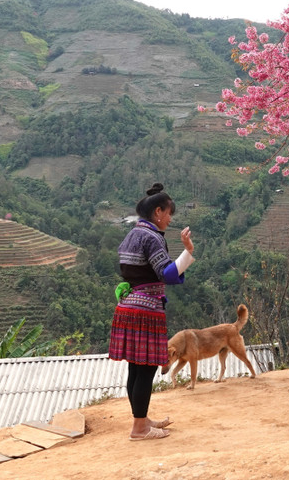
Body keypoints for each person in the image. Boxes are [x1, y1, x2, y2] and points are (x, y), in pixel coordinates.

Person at [109, 183, 195, 440]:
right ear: (158, 212)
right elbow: (166, 273)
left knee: (136, 369)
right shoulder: (152, 237)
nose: (170, 219)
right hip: (145, 310)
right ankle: (139, 428)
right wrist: (188, 251)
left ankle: (142, 419)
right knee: (146, 369)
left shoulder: (132, 235)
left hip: (128, 306)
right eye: (168, 213)